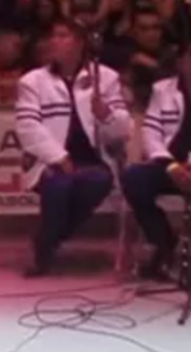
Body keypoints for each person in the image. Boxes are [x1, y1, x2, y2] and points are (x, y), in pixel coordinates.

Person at [15, 19, 131, 277]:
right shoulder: (32, 81)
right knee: (59, 184)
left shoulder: (106, 78)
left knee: (98, 181)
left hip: (92, 160)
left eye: (63, 35)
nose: (54, 41)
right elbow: (27, 126)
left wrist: (107, 115)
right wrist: (58, 156)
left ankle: (47, 241)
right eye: (53, 36)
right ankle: (45, 251)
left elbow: (123, 131)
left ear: (80, 44)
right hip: (50, 160)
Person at [121, 47, 191, 280]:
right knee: (134, 178)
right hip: (169, 166)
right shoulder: (162, 90)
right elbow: (151, 134)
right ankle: (164, 245)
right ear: (181, 63)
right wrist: (172, 166)